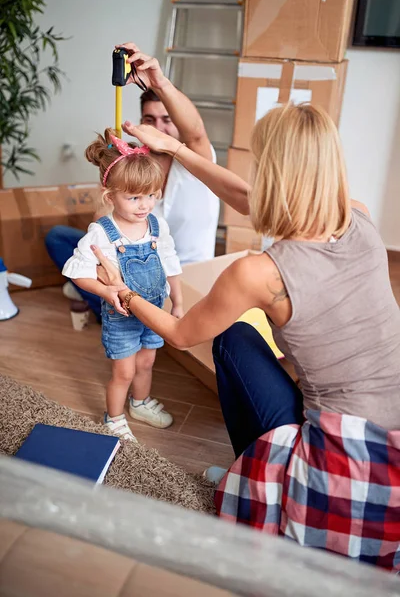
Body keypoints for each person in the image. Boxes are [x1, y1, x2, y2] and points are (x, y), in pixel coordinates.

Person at [91, 104, 400, 571]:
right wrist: (173, 147)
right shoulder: (359, 215)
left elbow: (178, 333)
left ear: (271, 171)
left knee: (232, 339)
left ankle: (258, 473)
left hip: (347, 460)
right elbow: (244, 197)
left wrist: (123, 292)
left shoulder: (259, 273)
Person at [45, 41, 219, 320]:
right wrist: (112, 178)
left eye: (167, 119)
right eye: (150, 119)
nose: (159, 127)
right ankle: (116, 306)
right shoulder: (134, 163)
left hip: (179, 275)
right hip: (130, 268)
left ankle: (112, 308)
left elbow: (196, 133)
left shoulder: (194, 160)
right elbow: (103, 222)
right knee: (59, 237)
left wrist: (159, 82)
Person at [63, 129, 183, 441]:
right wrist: (105, 291)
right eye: (133, 198)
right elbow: (77, 271)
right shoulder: (101, 232)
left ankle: (140, 403)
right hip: (121, 317)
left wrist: (178, 301)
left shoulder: (157, 226)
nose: (144, 205)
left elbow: (170, 261)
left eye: (151, 195)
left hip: (154, 312)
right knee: (124, 371)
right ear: (110, 196)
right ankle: (113, 418)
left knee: (146, 363)